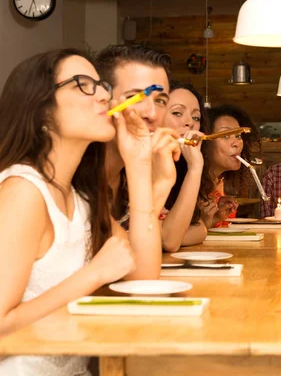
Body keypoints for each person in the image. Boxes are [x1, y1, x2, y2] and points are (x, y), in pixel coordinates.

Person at [0, 49, 168, 375]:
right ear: (43, 110)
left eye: (102, 85)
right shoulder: (23, 192)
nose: (104, 95)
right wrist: (93, 275)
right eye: (83, 85)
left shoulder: (79, 197)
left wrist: (138, 165)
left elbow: (144, 276)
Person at [94, 44, 181, 269]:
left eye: (160, 100)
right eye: (135, 97)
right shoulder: (73, 176)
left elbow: (139, 269)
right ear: (102, 102)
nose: (152, 114)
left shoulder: (126, 178)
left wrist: (162, 185)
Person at [161, 81, 208, 252]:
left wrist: (173, 234)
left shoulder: (180, 168)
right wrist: (195, 167)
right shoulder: (138, 167)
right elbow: (169, 241)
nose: (190, 123)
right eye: (177, 113)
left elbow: (200, 228)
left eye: (196, 117)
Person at [200, 104, 260, 228]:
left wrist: (217, 218)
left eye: (238, 136)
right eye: (225, 136)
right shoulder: (190, 184)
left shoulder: (217, 181)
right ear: (205, 142)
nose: (236, 143)